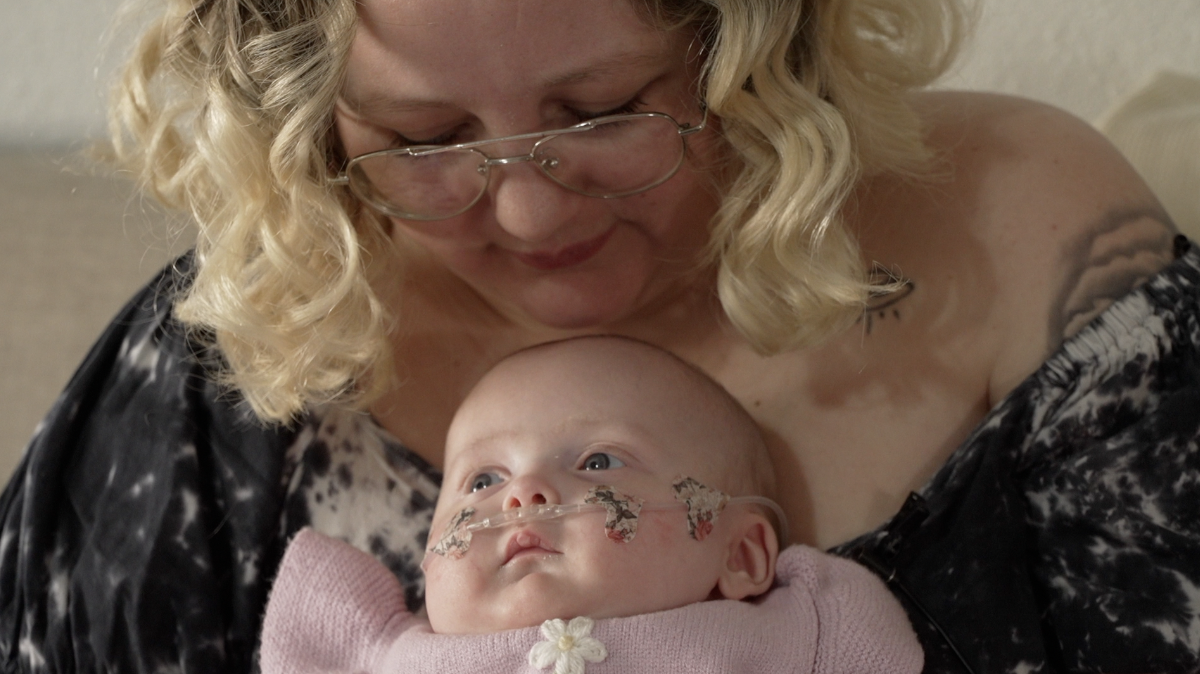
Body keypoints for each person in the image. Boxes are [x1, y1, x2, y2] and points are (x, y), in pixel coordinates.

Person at [0, 0, 1196, 672]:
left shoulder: (1024, 234)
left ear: (749, 49)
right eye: (424, 138)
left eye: (606, 113)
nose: (528, 210)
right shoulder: (253, 332)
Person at [258, 336, 924, 674]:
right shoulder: (384, 656)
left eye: (598, 463)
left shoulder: (795, 637)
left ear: (742, 553)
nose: (522, 495)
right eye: (482, 480)